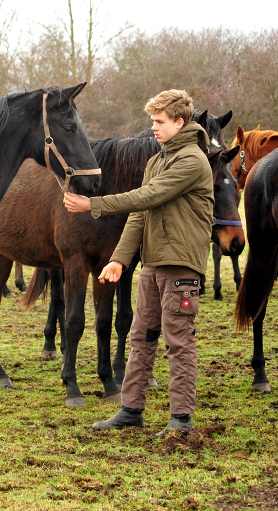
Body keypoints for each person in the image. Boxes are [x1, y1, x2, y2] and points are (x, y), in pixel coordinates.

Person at [63, 89, 213, 434]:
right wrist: (118, 259)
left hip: (182, 268)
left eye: (159, 122)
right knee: (141, 337)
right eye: (152, 122)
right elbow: (140, 213)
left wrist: (94, 204)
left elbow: (150, 195)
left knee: (178, 340)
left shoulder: (192, 159)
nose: (154, 129)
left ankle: (181, 419)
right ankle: (131, 409)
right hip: (153, 264)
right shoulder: (157, 160)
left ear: (180, 121)